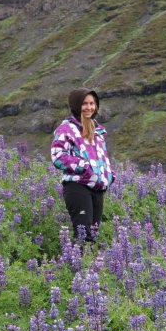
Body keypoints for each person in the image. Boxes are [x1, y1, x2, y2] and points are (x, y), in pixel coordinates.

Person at [50, 88, 113, 242]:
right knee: (83, 235)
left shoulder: (98, 131)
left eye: (92, 103)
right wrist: (84, 167)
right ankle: (78, 265)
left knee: (93, 235)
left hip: (97, 187)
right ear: (76, 105)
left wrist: (109, 175)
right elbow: (57, 155)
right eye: (85, 103)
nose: (89, 107)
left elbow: (102, 158)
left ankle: (89, 265)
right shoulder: (66, 128)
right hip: (77, 186)